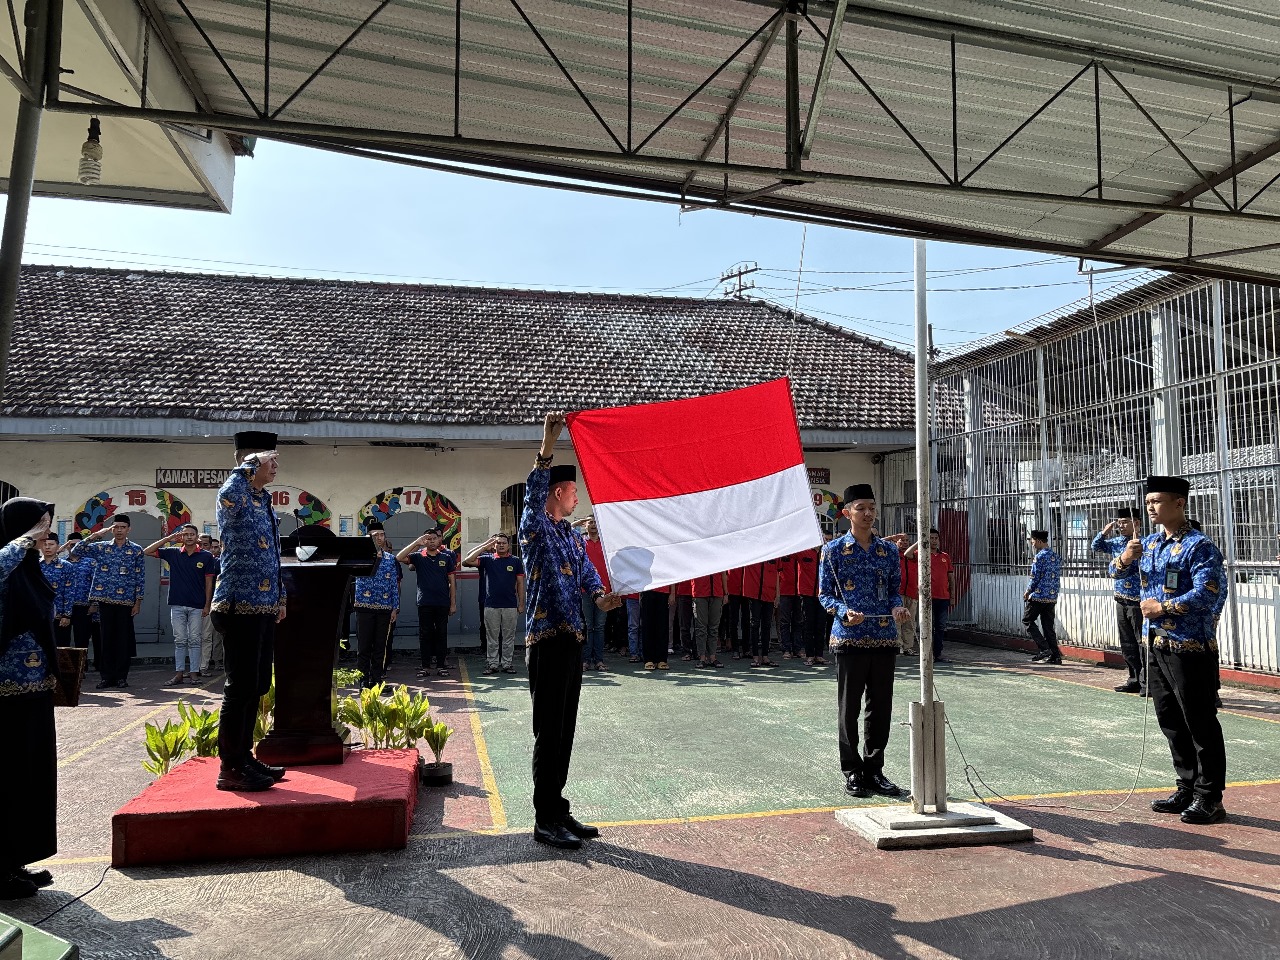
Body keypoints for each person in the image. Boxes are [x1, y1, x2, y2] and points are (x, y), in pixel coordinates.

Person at [519, 413, 621, 850]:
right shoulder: (537, 528)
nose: (578, 499)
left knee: (566, 729)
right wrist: (547, 443)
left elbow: (588, 578)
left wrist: (602, 597)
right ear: (557, 493)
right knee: (548, 730)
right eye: (574, 492)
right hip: (545, 641)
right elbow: (530, 499)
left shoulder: (573, 538)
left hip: (572, 639)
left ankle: (558, 807)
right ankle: (544, 818)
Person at [1113, 475, 1229, 825]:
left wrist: (1163, 609)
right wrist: (1124, 557)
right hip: (1157, 646)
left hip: (1190, 647)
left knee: (1199, 720)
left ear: (1179, 503)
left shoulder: (1199, 546)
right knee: (1170, 719)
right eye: (1148, 502)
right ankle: (1187, 785)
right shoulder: (1147, 543)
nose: (1150, 507)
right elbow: (1116, 575)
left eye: (1157, 501)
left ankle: (1210, 796)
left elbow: (1208, 593)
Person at [818, 484, 911, 798]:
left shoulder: (888, 552)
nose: (868, 514)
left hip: (884, 638)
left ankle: (874, 770)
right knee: (849, 710)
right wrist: (844, 612)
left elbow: (895, 589)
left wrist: (897, 607)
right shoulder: (832, 552)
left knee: (880, 708)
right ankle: (852, 771)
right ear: (847, 513)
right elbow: (824, 595)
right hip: (849, 640)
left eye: (872, 507)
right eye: (861, 508)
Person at [210, 432, 288, 793]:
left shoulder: (263, 499)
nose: (276, 465)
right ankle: (231, 768)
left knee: (256, 685)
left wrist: (280, 598)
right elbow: (227, 495)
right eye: (270, 459)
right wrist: (247, 465)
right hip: (238, 604)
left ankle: (245, 757)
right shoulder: (235, 494)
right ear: (251, 461)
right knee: (239, 688)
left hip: (264, 605)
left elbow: (272, 555)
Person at [0, 498, 61, 899]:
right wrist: (24, 539)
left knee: (32, 775)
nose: (44, 534)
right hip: (6, 691)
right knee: (7, 776)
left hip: (37, 686)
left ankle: (16, 859)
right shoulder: (8, 559)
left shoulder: (28, 567)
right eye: (40, 525)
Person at [71, 514, 145, 689]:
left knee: (122, 640)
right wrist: (94, 536)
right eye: (115, 527)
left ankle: (121, 677)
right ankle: (106, 677)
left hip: (126, 601)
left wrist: (138, 602)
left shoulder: (136, 550)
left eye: (122, 527)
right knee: (106, 640)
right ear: (111, 528)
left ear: (128, 529)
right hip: (104, 600)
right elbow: (76, 551)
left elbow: (140, 577)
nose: (118, 530)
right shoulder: (101, 547)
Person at [145, 523, 216, 685]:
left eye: (192, 534)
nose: (189, 537)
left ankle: (194, 673)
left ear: (197, 537)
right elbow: (146, 551)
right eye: (185, 534)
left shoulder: (206, 556)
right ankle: (178, 673)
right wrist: (169, 538)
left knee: (195, 640)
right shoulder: (173, 553)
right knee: (180, 640)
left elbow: (209, 582)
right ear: (181, 537)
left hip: (197, 606)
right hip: (177, 604)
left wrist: (207, 605)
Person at [1091, 507, 1145, 694]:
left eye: (1124, 522)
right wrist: (1103, 532)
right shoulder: (1116, 543)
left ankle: (1146, 682)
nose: (1120, 526)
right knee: (1127, 642)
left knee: (1142, 642)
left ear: (1136, 523)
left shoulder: (1142, 543)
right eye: (1119, 522)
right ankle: (1133, 679)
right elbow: (1096, 547)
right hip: (1121, 598)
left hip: (1138, 600)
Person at [462, 533, 525, 675]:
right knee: (492, 637)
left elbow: (520, 583)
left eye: (504, 542)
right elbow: (467, 560)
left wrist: (521, 603)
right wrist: (485, 545)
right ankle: (492, 664)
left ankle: (507, 664)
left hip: (510, 605)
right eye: (498, 543)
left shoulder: (515, 561)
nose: (501, 545)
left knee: (509, 637)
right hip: (491, 605)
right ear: (494, 545)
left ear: (509, 545)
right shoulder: (487, 560)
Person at [397, 528, 456, 678]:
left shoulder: (446, 557)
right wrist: (417, 543)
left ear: (439, 540)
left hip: (443, 603)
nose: (431, 541)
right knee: (425, 635)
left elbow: (452, 582)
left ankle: (441, 666)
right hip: (425, 603)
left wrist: (453, 603)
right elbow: (399, 557)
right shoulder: (418, 557)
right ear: (425, 541)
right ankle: (426, 666)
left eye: (434, 538)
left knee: (442, 634)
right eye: (428, 539)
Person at [352, 521, 399, 689]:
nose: (379, 538)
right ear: (368, 537)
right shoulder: (361, 556)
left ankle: (377, 680)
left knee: (381, 647)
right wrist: (375, 559)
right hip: (364, 606)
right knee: (364, 646)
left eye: (382, 534)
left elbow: (394, 583)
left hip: (385, 608)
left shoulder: (390, 559)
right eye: (375, 535)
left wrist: (395, 607)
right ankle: (363, 681)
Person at [904, 528, 955, 662]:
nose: (933, 541)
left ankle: (937, 654)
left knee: (940, 627)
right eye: (930, 538)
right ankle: (927, 654)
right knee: (927, 627)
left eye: (935, 538)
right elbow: (907, 553)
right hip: (927, 598)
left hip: (943, 597)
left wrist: (953, 595)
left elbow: (951, 577)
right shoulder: (921, 554)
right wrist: (920, 542)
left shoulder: (945, 556)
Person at [1023, 529, 1062, 665]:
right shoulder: (1055, 556)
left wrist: (1028, 591)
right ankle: (1056, 656)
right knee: (1048, 627)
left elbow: (1035, 577)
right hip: (1051, 596)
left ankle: (1044, 648)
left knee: (1027, 620)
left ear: (1039, 541)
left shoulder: (1039, 557)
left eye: (1033, 541)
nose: (1032, 544)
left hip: (1039, 595)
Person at [55, 531, 97, 657]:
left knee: (82, 640)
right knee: (62, 640)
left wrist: (94, 604)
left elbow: (96, 583)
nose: (74, 548)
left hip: (83, 606)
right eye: (71, 545)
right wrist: (58, 551)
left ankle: (81, 670)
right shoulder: (60, 562)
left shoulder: (90, 562)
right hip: (63, 607)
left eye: (77, 545)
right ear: (67, 545)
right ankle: (65, 669)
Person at [577, 517, 609, 670]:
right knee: (588, 626)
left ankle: (599, 660)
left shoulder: (606, 544)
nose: (593, 525)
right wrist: (578, 522)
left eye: (596, 522)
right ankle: (585, 660)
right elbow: (566, 530)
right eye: (590, 522)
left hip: (604, 591)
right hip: (585, 590)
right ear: (585, 525)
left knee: (600, 626)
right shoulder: (581, 543)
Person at [742, 558, 780, 668]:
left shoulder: (775, 553)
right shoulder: (754, 551)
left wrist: (777, 594)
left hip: (769, 594)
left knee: (767, 625)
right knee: (755, 624)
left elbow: (777, 573)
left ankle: (765, 656)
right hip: (755, 594)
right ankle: (755, 656)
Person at [39, 534, 73, 645]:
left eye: (51, 544)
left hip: (59, 616)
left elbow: (70, 591)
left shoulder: (66, 566)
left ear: (57, 546)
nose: (47, 547)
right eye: (45, 544)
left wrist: (66, 615)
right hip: (39, 614)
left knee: (60, 647)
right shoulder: (34, 565)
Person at [689, 571, 726, 669]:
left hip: (717, 592)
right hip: (700, 592)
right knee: (701, 628)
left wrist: (725, 593)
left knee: (713, 627)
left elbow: (723, 573)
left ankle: (712, 657)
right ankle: (702, 657)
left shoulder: (718, 557)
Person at [201, 539, 225, 674]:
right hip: (200, 602)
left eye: (216, 547)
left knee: (216, 635)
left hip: (216, 602)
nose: (213, 550)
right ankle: (202, 663)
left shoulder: (218, 562)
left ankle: (217, 660)